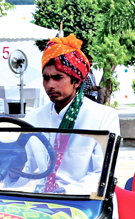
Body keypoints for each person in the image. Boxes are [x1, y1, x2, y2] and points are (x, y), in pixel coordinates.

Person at [12, 34, 119, 194]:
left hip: (85, 205)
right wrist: (11, 169)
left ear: (76, 81)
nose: (50, 85)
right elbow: (27, 167)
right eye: (46, 78)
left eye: (57, 77)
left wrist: (64, 193)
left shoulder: (103, 116)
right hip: (42, 202)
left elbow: (103, 175)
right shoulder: (34, 118)